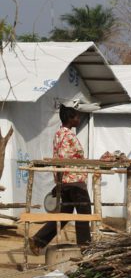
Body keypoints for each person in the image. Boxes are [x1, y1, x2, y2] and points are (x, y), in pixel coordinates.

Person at [29, 105, 91, 253]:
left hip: (64, 180)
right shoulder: (69, 135)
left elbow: (59, 158)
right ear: (70, 119)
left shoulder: (58, 134)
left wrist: (58, 181)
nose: (79, 119)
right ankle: (85, 247)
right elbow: (69, 157)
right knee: (84, 213)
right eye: (76, 116)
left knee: (65, 214)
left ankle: (38, 240)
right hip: (75, 181)